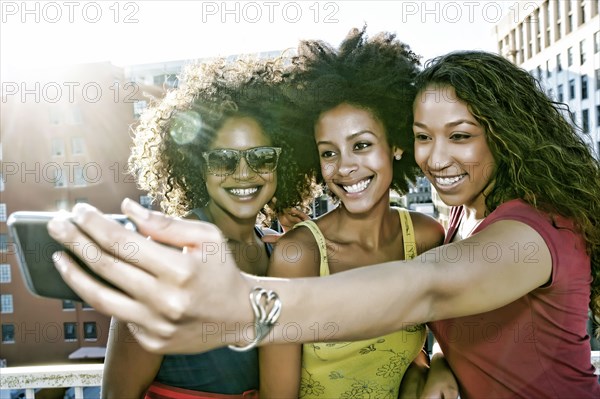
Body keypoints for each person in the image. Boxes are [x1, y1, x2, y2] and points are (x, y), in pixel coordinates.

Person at [48, 50, 600, 398]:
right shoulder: (461, 217)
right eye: (427, 136)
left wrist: (246, 309)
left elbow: (425, 294)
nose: (437, 158)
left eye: (460, 135)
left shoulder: (521, 234)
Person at [101, 57, 315, 398]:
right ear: (197, 166)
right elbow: (117, 395)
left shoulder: (280, 253)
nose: (243, 174)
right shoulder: (163, 258)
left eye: (260, 157)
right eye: (224, 159)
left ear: (281, 164)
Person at [259, 28, 444, 398]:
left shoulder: (427, 238)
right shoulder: (298, 257)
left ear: (395, 145)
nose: (344, 168)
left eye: (361, 145)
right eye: (328, 152)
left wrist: (436, 366)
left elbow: (447, 340)